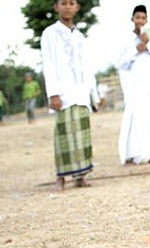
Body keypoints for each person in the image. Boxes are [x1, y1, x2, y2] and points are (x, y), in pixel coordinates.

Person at [40, 0, 100, 192]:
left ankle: (80, 176)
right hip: (63, 93)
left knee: (82, 135)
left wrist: (94, 96)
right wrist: (53, 94)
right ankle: (61, 177)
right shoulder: (50, 33)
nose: (67, 6)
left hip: (81, 92)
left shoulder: (81, 36)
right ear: (56, 7)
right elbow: (48, 64)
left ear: (77, 7)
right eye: (63, 3)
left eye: (71, 3)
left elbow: (87, 66)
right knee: (63, 136)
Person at [117, 4, 150, 166]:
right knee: (134, 120)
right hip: (134, 87)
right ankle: (131, 155)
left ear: (146, 20)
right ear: (132, 19)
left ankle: (147, 154)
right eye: (138, 18)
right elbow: (121, 63)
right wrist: (136, 50)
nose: (140, 21)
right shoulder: (126, 38)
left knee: (149, 120)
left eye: (143, 18)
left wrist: (147, 44)